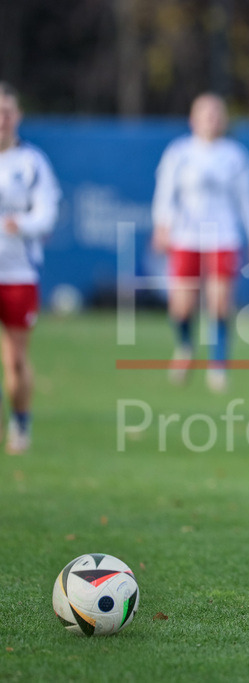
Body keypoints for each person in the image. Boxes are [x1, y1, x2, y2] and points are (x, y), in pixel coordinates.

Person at [151, 93, 249, 393]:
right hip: (186, 236)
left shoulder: (235, 155)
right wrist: (161, 226)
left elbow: (246, 200)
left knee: (219, 303)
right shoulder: (179, 152)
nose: (211, 120)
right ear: (193, 119)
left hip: (223, 236)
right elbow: (165, 193)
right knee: (182, 307)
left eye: (216, 114)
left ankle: (218, 366)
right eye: (205, 114)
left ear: (224, 120)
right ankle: (186, 346)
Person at [0, 83, 61, 455]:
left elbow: (47, 213)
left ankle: (20, 423)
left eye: (7, 112)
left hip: (18, 273)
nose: (1, 119)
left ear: (17, 116)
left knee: (16, 359)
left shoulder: (32, 163)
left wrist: (21, 224)